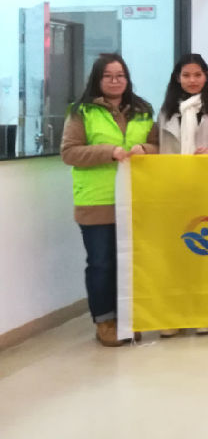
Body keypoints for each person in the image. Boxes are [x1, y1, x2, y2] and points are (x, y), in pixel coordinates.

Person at [60, 53, 158, 347]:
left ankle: (127, 318)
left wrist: (146, 149)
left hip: (135, 198)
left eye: (120, 76)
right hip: (97, 200)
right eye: (108, 76)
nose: (115, 81)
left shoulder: (142, 110)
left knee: (129, 262)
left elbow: (159, 144)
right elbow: (69, 152)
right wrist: (108, 151)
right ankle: (105, 321)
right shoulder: (81, 111)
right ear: (98, 79)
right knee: (101, 262)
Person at [157, 53, 208, 337]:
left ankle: (204, 312)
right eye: (186, 75)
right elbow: (160, 148)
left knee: (205, 255)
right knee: (175, 254)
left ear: (206, 77)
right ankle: (174, 315)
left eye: (197, 75)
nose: (192, 80)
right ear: (177, 78)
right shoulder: (167, 112)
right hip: (174, 190)